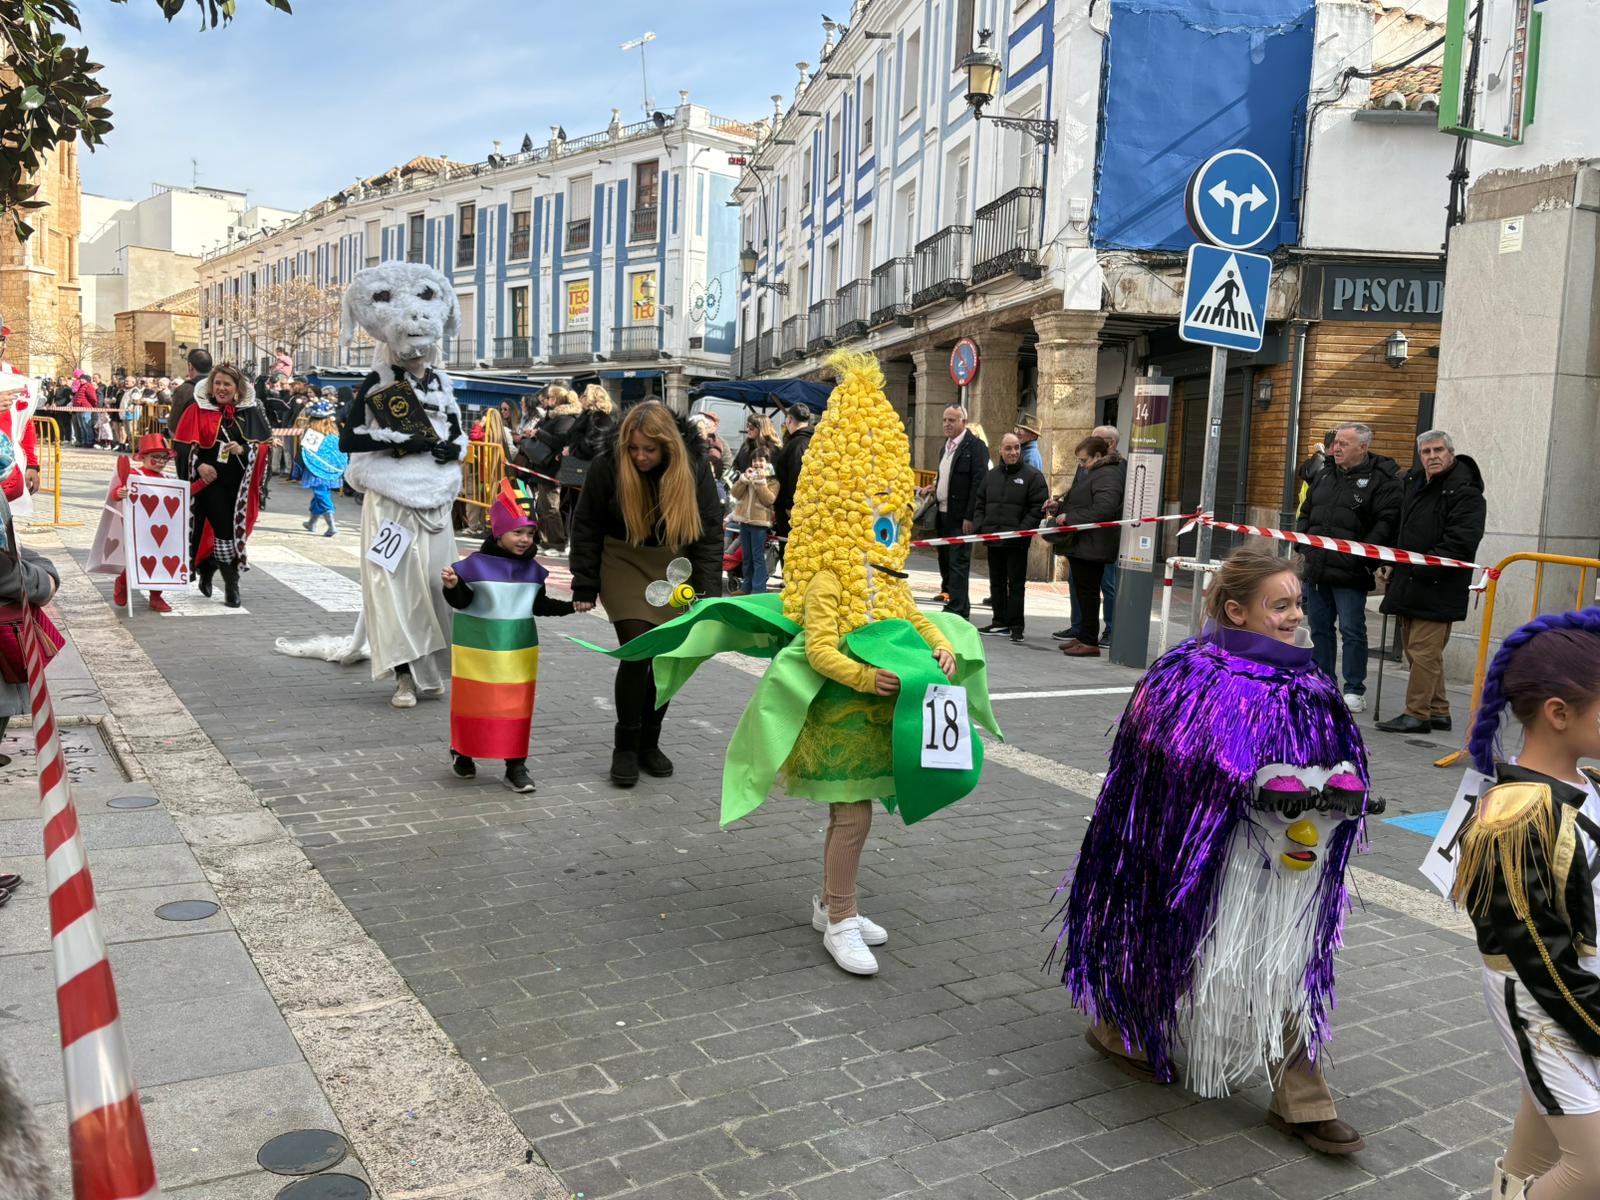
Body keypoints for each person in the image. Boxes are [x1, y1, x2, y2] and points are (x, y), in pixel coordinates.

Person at [576, 352, 994, 977]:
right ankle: (842, 915)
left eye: (891, 522)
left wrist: (934, 641)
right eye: (876, 521)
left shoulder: (884, 575)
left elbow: (911, 612)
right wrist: (862, 676)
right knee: (850, 814)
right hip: (838, 718)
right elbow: (822, 649)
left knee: (857, 814)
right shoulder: (828, 580)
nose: (885, 531)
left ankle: (832, 906)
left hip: (873, 713)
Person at [1054, 548, 1377, 1156]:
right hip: (1194, 848)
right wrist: (1236, 783)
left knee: (1288, 957)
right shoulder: (1186, 672)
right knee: (1172, 939)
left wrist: (1340, 786)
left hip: (1284, 856)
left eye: (1295, 604)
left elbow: (1340, 755)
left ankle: (1301, 1095)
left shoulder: (1309, 681)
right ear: (1237, 610)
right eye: (1278, 605)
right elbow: (1158, 758)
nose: (1293, 616)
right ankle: (1120, 1029)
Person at [1451, 609, 1600, 1200]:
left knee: (1539, 1142)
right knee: (1591, 1168)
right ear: (1559, 714)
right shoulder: (1512, 819)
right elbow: (1538, 954)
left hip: (1580, 991)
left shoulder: (1586, 785)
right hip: (1547, 1004)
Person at [567, 401, 723, 787]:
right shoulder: (608, 464)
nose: (639, 456)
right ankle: (625, 746)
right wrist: (584, 583)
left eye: (649, 450)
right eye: (633, 449)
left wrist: (706, 594)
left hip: (673, 565)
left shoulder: (694, 466)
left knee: (666, 656)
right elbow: (586, 523)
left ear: (667, 445)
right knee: (638, 650)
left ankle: (649, 743)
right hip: (622, 560)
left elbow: (709, 533)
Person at [338, 262, 467, 708]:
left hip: (435, 499)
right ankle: (403, 677)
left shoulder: (442, 384)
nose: (417, 358)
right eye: (410, 352)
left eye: (423, 351)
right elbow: (349, 438)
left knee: (437, 586)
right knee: (393, 588)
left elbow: (455, 430)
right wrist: (400, 441)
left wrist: (455, 450)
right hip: (392, 501)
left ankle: (430, 668)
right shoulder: (377, 382)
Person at [443, 481, 575, 794]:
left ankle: (515, 764)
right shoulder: (472, 567)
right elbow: (462, 602)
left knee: (515, 709)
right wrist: (452, 587)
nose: (524, 540)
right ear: (499, 531)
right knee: (474, 704)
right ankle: (463, 751)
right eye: (518, 532)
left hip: (517, 654)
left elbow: (539, 606)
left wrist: (572, 607)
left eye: (530, 534)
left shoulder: (533, 571)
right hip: (477, 653)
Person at [1374, 431, 1487, 734]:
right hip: (1409, 579)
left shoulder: (1466, 493)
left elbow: (1461, 543)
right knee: (1418, 651)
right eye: (1426, 451)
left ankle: (1417, 713)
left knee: (1423, 652)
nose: (1432, 456)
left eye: (1439, 450)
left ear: (1451, 454)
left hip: (1439, 583)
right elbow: (1401, 530)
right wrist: (1391, 563)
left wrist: (1418, 568)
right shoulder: (1413, 483)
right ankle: (1438, 710)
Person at [1296, 421, 1402, 712]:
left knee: (1353, 630)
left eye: (1344, 443)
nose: (1336, 447)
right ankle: (1324, 684)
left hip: (1351, 571)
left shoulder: (1381, 479)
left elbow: (1386, 523)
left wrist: (1362, 558)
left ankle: (1354, 689)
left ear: (1363, 447)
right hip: (1317, 567)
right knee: (1319, 628)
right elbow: (1306, 512)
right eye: (1335, 442)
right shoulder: (1324, 473)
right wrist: (1304, 546)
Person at [174, 363, 271, 608]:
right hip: (209, 483)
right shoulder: (197, 410)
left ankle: (208, 568)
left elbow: (264, 446)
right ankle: (231, 585)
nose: (221, 388)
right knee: (224, 531)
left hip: (238, 485)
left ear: (237, 389)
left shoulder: (251, 411)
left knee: (229, 531)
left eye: (227, 384)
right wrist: (198, 467)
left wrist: (244, 448)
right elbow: (182, 446)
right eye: (217, 383)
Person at [1048, 436, 1125, 658]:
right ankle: (1083, 635)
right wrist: (1060, 506)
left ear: (1098, 456)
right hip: (1084, 543)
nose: (1082, 465)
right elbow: (1086, 501)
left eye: (1084, 460)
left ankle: (1090, 640)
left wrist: (1068, 517)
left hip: (1093, 545)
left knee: (1089, 592)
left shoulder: (1108, 474)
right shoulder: (1096, 472)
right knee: (1083, 590)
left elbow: (1104, 508)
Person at [973, 432, 1048, 643]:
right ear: (1000, 450)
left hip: (1017, 542)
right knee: (996, 582)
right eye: (1008, 448)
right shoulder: (991, 476)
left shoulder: (1033, 476)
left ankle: (1016, 625)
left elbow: (1037, 508)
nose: (1013, 452)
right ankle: (999, 622)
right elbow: (980, 502)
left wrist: (1021, 531)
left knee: (1016, 584)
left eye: (1016, 447)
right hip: (994, 540)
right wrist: (981, 527)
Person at [925, 404, 988, 618]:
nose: (946, 424)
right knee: (946, 561)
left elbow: (978, 484)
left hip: (961, 517)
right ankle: (955, 602)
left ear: (963, 422)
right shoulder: (946, 447)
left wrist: (970, 516)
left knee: (959, 563)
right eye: (944, 420)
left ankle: (958, 609)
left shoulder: (975, 446)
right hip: (943, 513)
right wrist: (933, 487)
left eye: (952, 420)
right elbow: (944, 476)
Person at [107, 434, 178, 613]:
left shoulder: (168, 479)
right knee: (136, 559)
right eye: (156, 457)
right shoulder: (133, 475)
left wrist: (202, 483)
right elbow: (116, 493)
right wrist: (120, 492)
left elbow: (182, 496)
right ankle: (122, 582)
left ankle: (156, 596)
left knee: (160, 560)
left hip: (162, 528)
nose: (161, 462)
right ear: (144, 457)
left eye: (164, 458)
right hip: (136, 526)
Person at [524, 385, 580, 556]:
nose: (546, 401)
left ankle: (558, 543)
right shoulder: (552, 416)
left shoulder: (565, 419)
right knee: (542, 507)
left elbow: (560, 441)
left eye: (549, 398)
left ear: (556, 399)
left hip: (553, 469)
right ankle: (547, 541)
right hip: (543, 467)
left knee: (550, 507)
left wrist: (539, 434)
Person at [730, 445, 778, 595]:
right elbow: (735, 493)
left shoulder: (772, 481)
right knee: (747, 557)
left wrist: (760, 483)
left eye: (761, 460)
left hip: (760, 524)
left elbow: (769, 500)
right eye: (754, 460)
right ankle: (746, 588)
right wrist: (743, 480)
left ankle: (758, 590)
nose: (757, 463)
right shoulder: (747, 478)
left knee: (758, 558)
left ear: (768, 462)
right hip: (744, 522)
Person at [297, 398, 347, 537]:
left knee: (321, 495)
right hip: (329, 471)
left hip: (316, 471)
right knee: (319, 496)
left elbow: (306, 454)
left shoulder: (312, 435)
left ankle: (332, 526)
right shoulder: (334, 435)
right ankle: (311, 523)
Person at [771, 403, 813, 542]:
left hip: (790, 509)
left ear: (789, 420)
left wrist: (790, 505)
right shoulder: (808, 440)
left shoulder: (798, 443)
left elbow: (796, 474)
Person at [165, 347, 212, 438]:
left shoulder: (184, 390)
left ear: (190, 366)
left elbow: (173, 426)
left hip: (191, 443)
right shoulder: (221, 388)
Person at [71, 371, 98, 448]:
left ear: (86, 380)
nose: (81, 380)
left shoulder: (88, 386)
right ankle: (84, 441)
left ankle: (89, 441)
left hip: (86, 408)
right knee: (82, 426)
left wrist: (94, 405)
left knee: (87, 425)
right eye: (80, 379)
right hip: (79, 409)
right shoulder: (81, 387)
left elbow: (93, 397)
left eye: (82, 379)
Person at [699, 409, 729, 475]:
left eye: (708, 420)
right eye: (704, 419)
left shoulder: (722, 443)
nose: (705, 422)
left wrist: (720, 481)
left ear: (715, 426)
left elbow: (727, 464)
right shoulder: (697, 438)